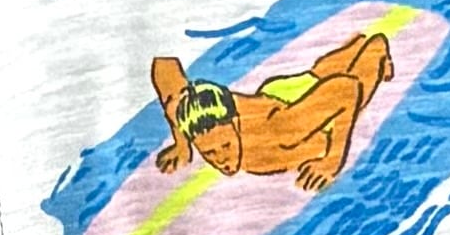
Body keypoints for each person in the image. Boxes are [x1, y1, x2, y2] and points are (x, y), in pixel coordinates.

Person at [149, 27, 396, 190]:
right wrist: (182, 145)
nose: (222, 159)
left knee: (352, 92)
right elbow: (165, 71)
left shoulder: (281, 131)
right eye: (209, 153)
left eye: (226, 146)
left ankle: (375, 49)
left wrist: (332, 161)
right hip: (272, 96)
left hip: (287, 113)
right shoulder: (186, 112)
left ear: (236, 124)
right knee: (315, 77)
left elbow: (346, 89)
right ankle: (353, 47)